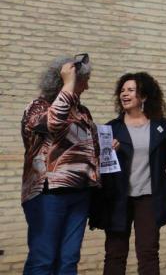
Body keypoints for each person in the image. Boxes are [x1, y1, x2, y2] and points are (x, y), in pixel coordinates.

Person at [22, 55, 101, 274]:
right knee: (43, 259)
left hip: (80, 192)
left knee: (69, 260)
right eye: (84, 80)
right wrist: (68, 84)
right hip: (47, 194)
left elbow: (86, 151)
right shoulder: (37, 107)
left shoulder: (83, 112)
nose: (87, 86)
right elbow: (54, 122)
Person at [99, 72, 166, 275]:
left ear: (143, 96)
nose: (125, 94)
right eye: (122, 90)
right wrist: (109, 153)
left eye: (131, 90)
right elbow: (102, 166)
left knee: (148, 252)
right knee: (115, 253)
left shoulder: (161, 126)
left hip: (149, 197)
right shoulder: (111, 129)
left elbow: (163, 161)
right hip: (118, 198)